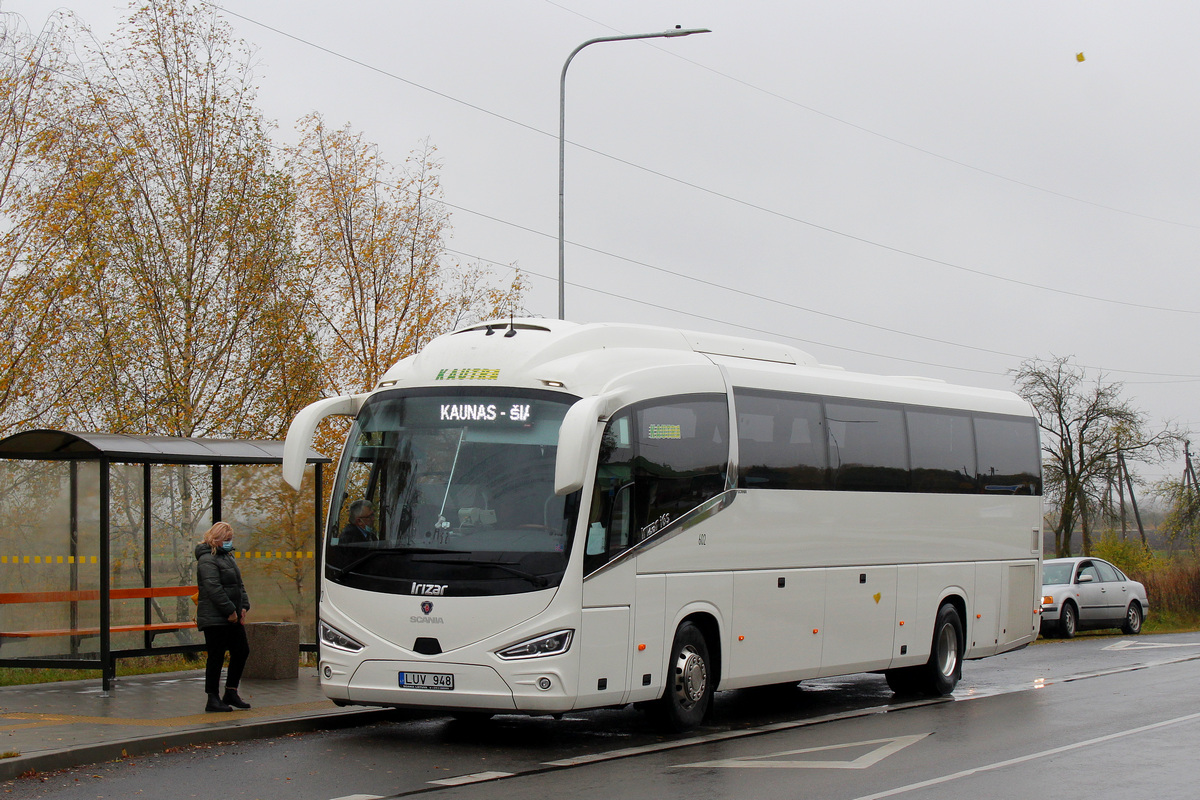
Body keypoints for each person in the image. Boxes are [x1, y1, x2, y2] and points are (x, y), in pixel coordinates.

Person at [195, 521, 251, 713]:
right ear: (216, 538)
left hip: (233, 616)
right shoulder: (206, 559)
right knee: (216, 657)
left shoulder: (227, 556)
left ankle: (231, 691)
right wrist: (230, 610)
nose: (229, 542)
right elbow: (213, 588)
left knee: (241, 650)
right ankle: (212, 698)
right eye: (226, 539)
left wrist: (243, 606)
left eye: (231, 539)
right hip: (214, 618)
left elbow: (238, 584)